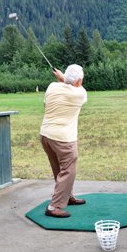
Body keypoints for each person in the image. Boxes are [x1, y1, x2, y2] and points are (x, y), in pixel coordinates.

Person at [40, 64, 87, 218]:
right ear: (79, 81)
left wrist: (62, 79)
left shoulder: (52, 87)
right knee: (68, 171)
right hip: (63, 139)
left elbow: (46, 104)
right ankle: (54, 206)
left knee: (59, 170)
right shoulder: (80, 94)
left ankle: (68, 197)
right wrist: (63, 79)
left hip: (46, 136)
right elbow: (75, 87)